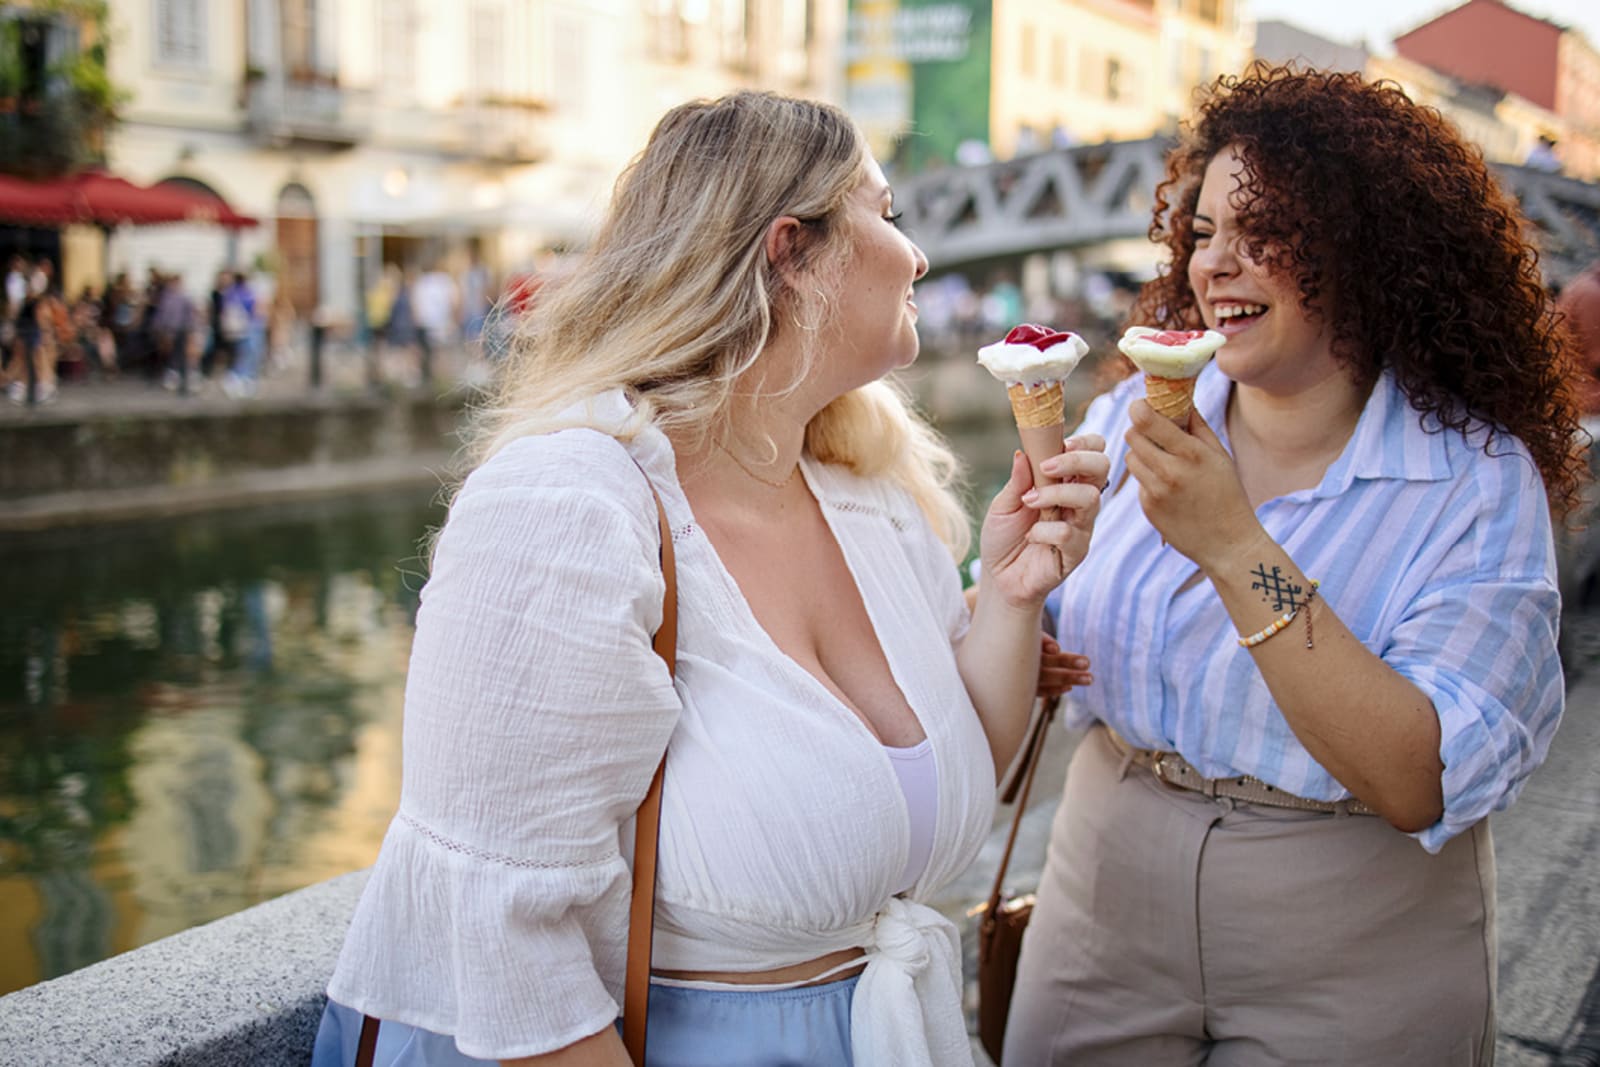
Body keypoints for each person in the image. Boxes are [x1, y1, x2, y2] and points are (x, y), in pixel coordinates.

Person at [313, 90, 1108, 1067]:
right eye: (887, 213)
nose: (918, 255)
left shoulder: (873, 496)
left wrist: (1013, 591)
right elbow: (500, 942)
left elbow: (959, 781)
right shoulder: (568, 506)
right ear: (790, 249)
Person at [1004, 65, 1582, 1065]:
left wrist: (1232, 543)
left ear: (1367, 251)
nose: (1214, 264)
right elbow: (1039, 624)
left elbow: (1418, 779)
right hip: (1102, 890)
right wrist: (1033, 631)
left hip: (1356, 934)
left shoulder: (1474, 482)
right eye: (1203, 232)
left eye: (1262, 230)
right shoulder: (1121, 417)